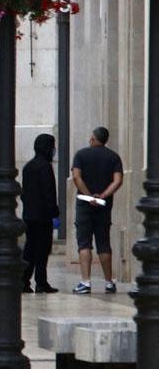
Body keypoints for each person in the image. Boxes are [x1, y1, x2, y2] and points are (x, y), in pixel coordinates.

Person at [71, 126, 123, 294]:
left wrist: (89, 195)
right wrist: (102, 196)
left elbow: (76, 177)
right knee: (103, 243)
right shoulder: (114, 157)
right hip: (103, 205)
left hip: (84, 203)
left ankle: (85, 282)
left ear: (93, 139)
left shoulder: (81, 155)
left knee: (84, 243)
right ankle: (109, 282)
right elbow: (118, 181)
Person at [22, 134, 60, 294]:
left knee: (30, 249)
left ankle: (24, 280)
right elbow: (48, 192)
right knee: (42, 250)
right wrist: (55, 214)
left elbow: (25, 193)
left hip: (30, 215)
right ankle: (41, 282)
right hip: (43, 216)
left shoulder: (28, 166)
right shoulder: (45, 167)